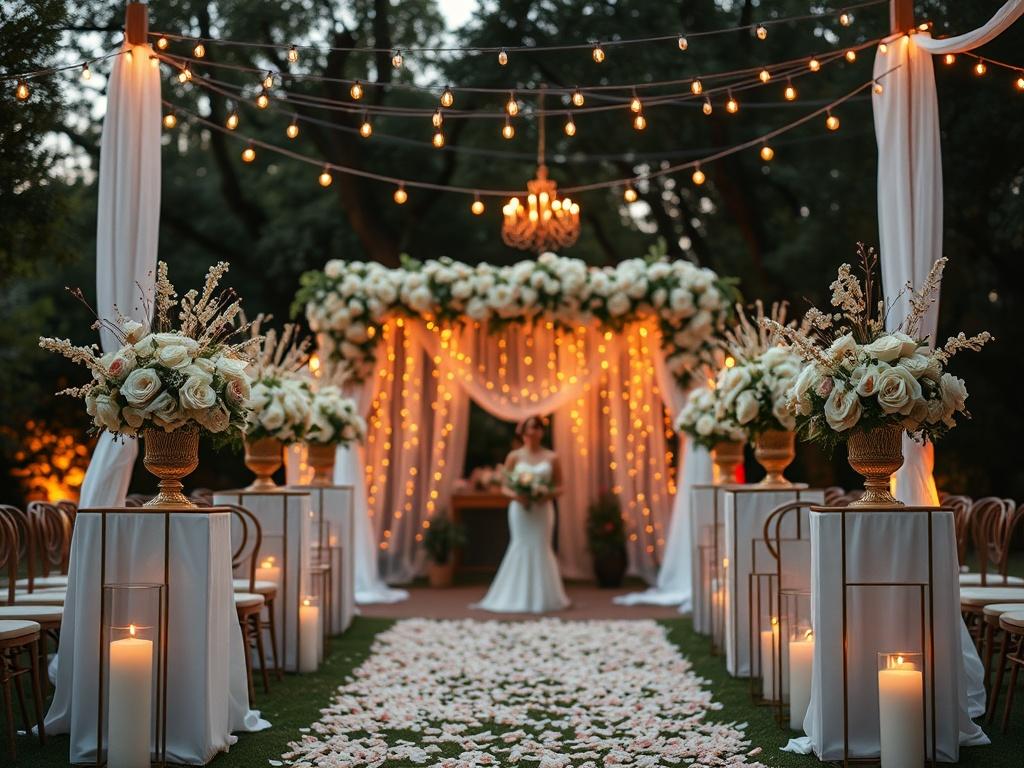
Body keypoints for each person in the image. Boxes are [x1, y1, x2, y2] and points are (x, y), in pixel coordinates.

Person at [474, 416, 570, 613]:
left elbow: (561, 487)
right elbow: (504, 487)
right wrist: (518, 496)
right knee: (520, 545)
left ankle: (544, 598)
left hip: (542, 510)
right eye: (528, 430)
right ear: (522, 433)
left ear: (542, 432)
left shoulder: (552, 457)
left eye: (536, 429)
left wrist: (544, 494)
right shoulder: (514, 457)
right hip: (520, 510)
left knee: (541, 547)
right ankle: (515, 596)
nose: (532, 433)